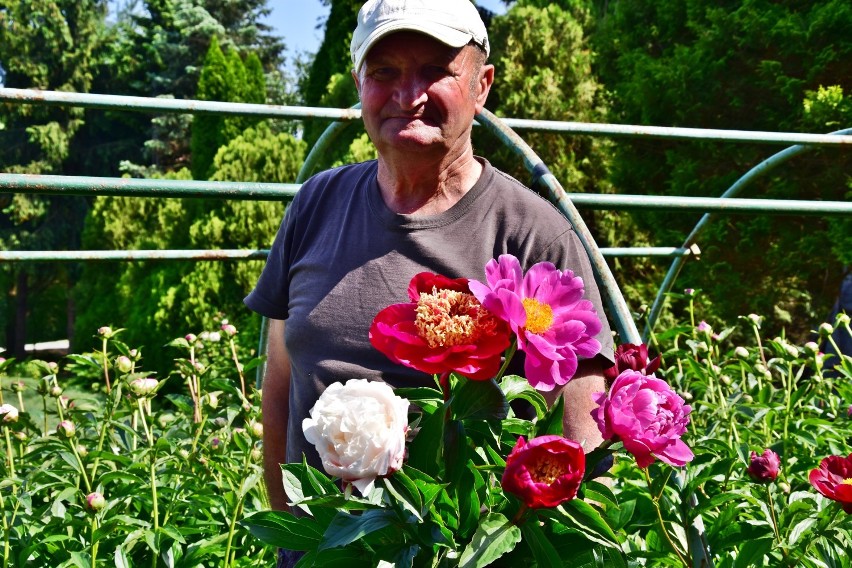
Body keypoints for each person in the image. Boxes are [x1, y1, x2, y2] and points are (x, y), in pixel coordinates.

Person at [245, 2, 614, 563]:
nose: (407, 94)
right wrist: (287, 533)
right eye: (384, 71)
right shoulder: (315, 205)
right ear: (359, 83)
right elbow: (280, 380)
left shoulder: (534, 235)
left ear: (482, 84)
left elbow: (584, 439)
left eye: (435, 71)